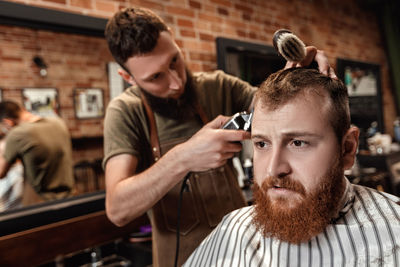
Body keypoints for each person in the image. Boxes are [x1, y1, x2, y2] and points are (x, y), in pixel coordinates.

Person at [103, 7, 334, 266]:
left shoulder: (219, 86)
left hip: (246, 253)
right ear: (127, 77)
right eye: (156, 77)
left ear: (172, 37)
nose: (177, 82)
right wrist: (183, 158)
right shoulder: (125, 113)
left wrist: (300, 73)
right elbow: (117, 209)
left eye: (174, 61)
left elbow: (277, 106)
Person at [184, 68, 400, 266]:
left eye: (298, 143)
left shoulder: (394, 233)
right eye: (262, 144)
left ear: (347, 148)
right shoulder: (235, 229)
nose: (273, 169)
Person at [0, 100, 74, 202]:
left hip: (40, 203)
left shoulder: (17, 133)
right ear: (23, 110)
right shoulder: (58, 122)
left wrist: (5, 144)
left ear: (7, 122)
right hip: (69, 196)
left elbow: (1, 172)